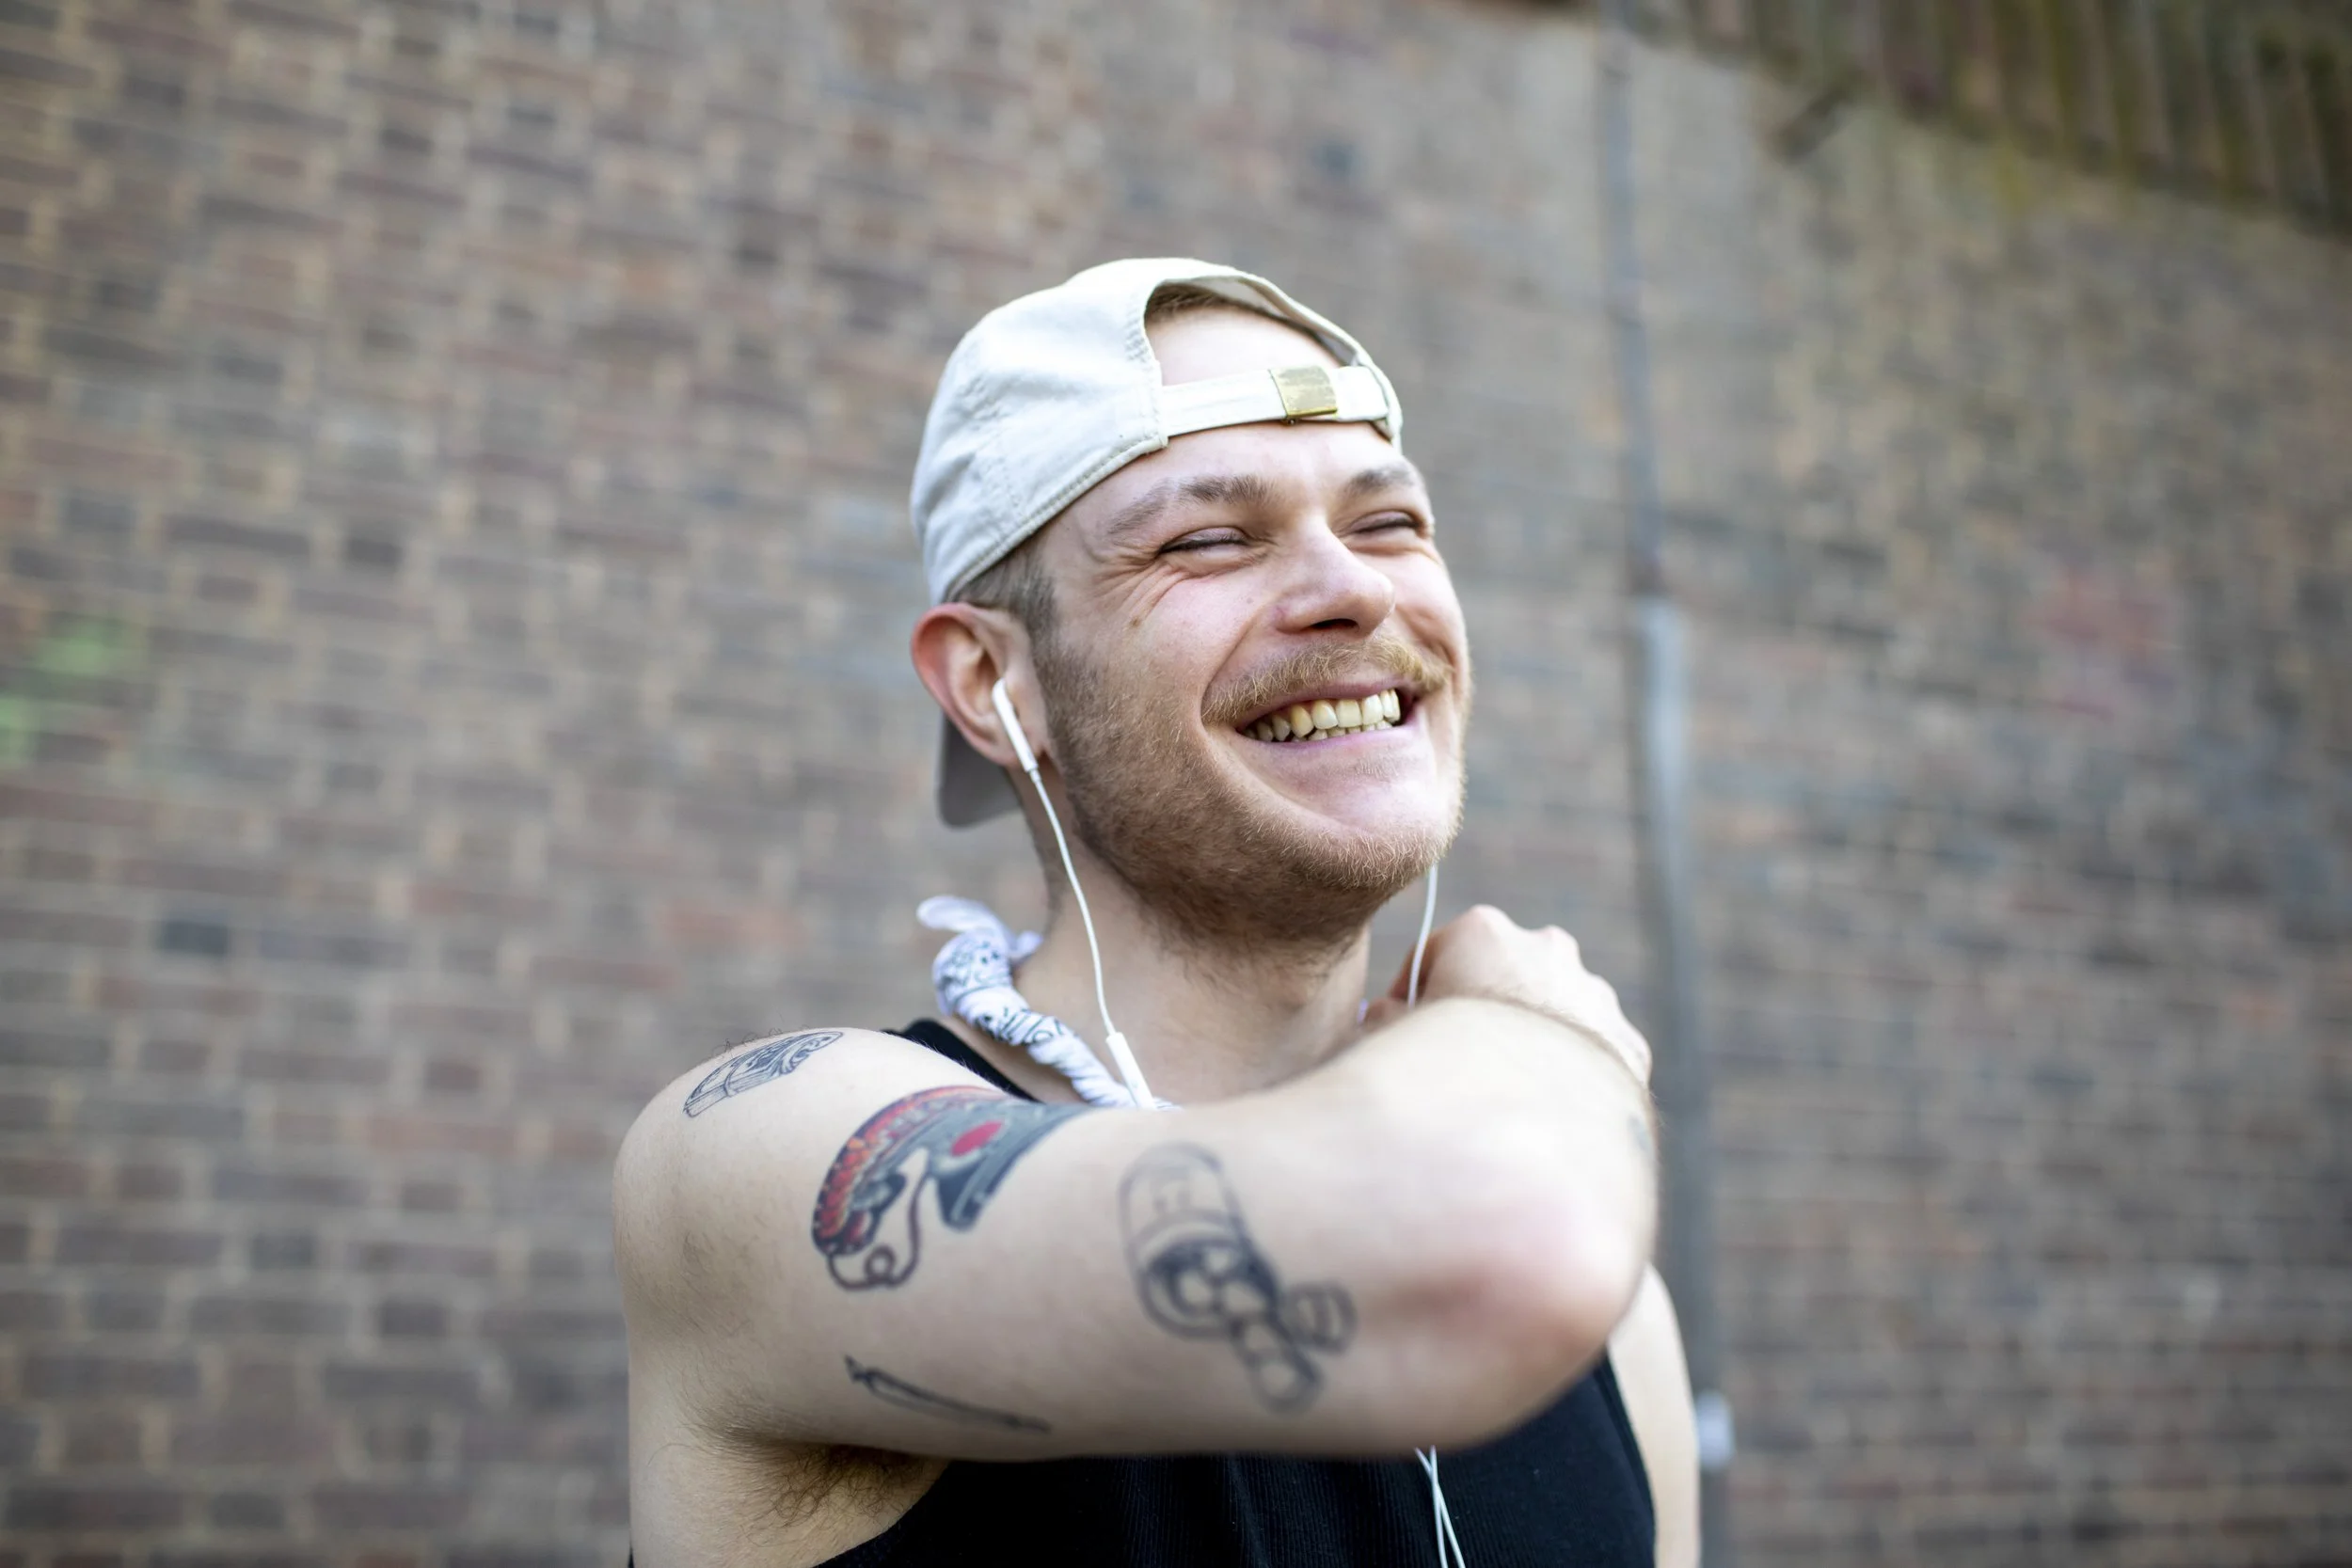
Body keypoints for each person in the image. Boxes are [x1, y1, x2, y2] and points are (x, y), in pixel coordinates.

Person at [614, 259, 1699, 1567]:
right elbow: (1492, 1249)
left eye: (1389, 523)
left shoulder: (1626, 1330)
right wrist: (1540, 1033)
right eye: (1207, 540)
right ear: (992, 683)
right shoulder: (766, 1160)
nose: (1354, 589)